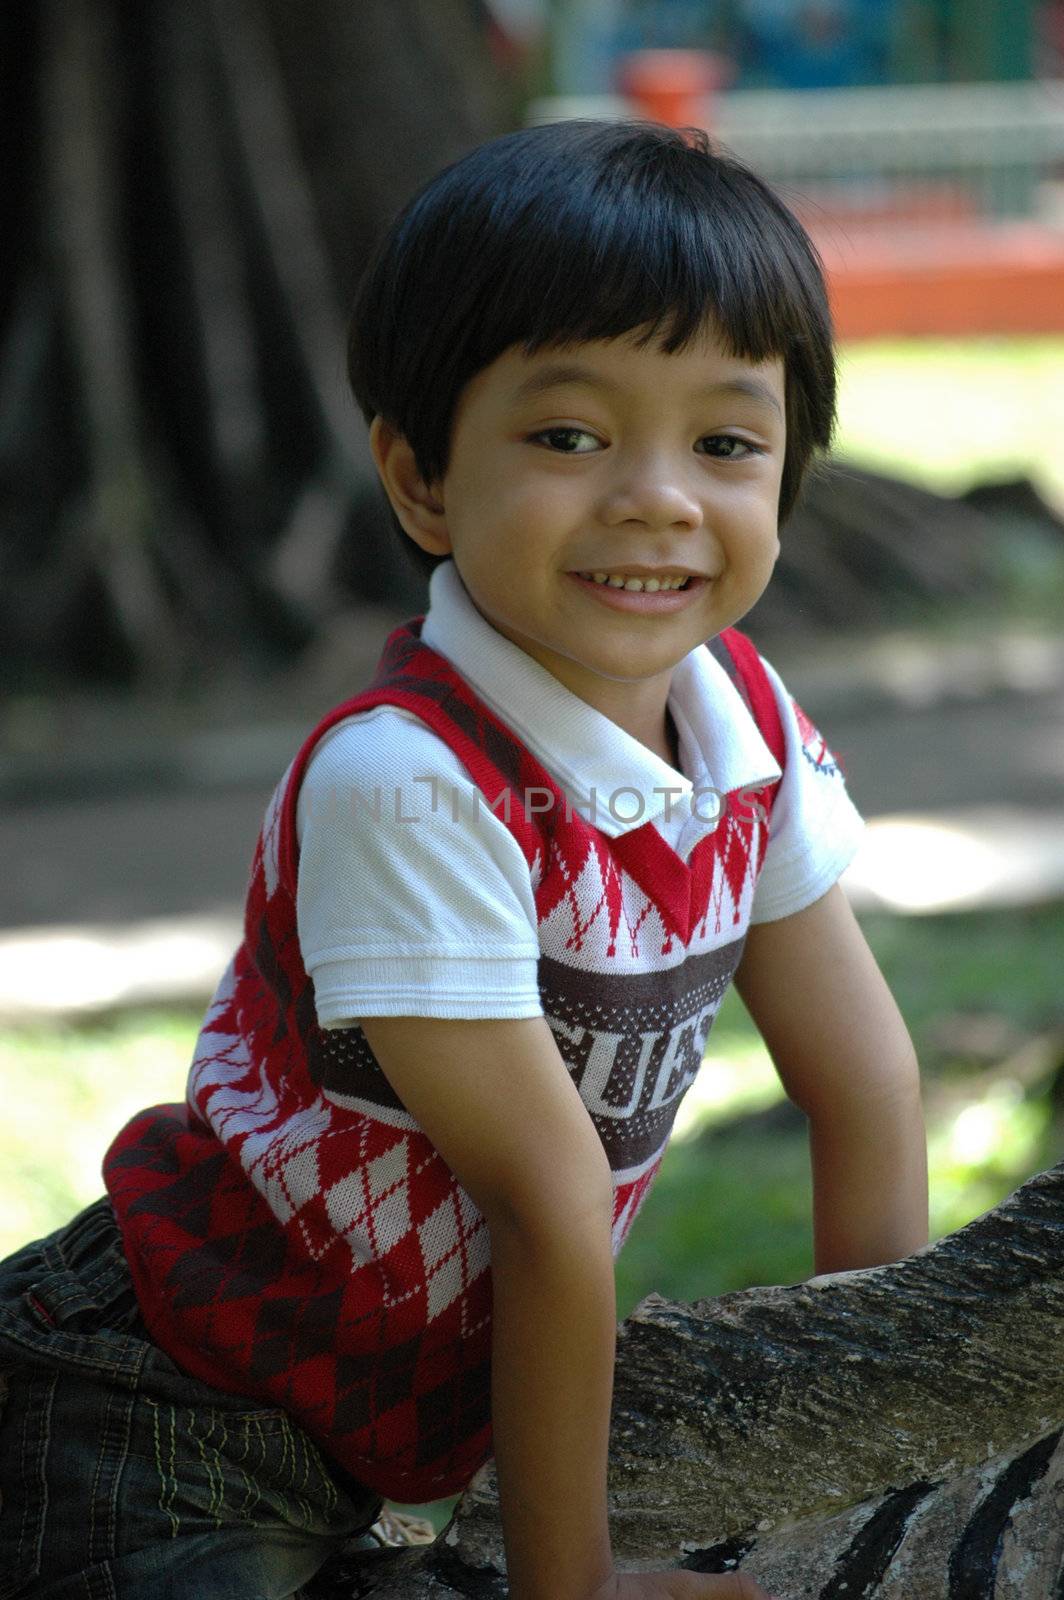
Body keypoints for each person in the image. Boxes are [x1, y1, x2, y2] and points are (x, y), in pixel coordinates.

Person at [0, 120, 929, 1599]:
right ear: (422, 480)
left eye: (727, 442)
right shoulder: (412, 783)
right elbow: (550, 1209)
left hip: (362, 1440)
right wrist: (573, 1590)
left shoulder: (744, 724)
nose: (656, 495)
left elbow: (865, 1085)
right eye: (569, 436)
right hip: (155, 1413)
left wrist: (870, 1489)